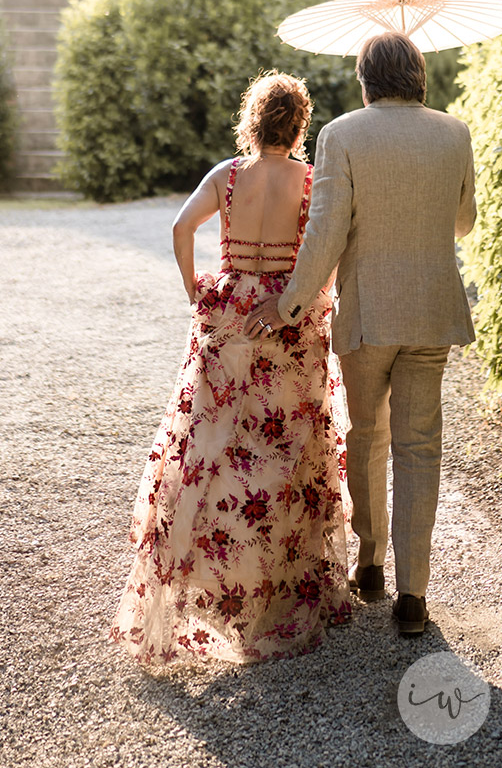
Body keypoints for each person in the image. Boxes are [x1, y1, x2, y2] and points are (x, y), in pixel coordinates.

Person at [110, 71, 351, 668]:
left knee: (211, 443)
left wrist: (196, 287)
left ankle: (206, 575)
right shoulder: (311, 181)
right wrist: (312, 294)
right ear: (300, 125)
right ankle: (271, 587)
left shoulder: (228, 175)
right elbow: (329, 249)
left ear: (252, 120)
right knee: (286, 444)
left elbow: (180, 227)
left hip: (230, 313)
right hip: (286, 315)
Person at [248, 31, 476, 637]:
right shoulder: (454, 133)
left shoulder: (340, 135)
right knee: (421, 447)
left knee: (368, 435)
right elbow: (465, 222)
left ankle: (371, 565)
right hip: (430, 310)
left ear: (366, 78)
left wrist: (289, 303)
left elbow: (324, 232)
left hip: (369, 312)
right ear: (418, 75)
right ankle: (414, 597)